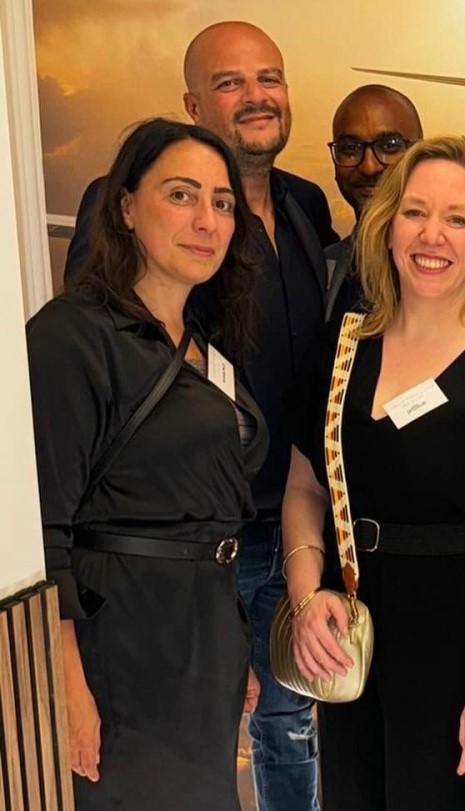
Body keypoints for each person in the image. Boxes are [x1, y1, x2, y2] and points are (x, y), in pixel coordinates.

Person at [62, 22, 336, 809]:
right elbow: (113, 364)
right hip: (184, 537)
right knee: (184, 742)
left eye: (270, 78)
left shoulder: (307, 205)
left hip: (292, 519)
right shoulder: (127, 226)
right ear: (191, 102)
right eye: (230, 82)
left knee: (288, 720)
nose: (257, 96)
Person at [281, 135, 465, 810]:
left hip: (457, 645)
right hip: (351, 631)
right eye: (414, 212)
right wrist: (304, 594)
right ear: (387, 228)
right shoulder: (345, 347)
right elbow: (303, 487)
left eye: (457, 218)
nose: (431, 235)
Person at [28, 118, 264, 810]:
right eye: (182, 195)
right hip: (121, 642)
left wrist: (230, 641)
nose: (207, 219)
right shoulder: (72, 335)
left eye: (222, 202)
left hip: (204, 636)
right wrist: (66, 686)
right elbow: (42, 529)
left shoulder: (205, 345)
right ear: (126, 207)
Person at [325, 84, 424, 322]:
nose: (369, 166)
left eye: (389, 146)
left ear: (421, 152)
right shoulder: (324, 266)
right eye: (350, 148)